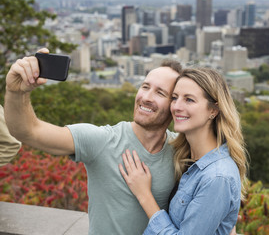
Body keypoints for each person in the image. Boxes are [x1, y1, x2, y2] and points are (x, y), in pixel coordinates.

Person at [4, 48, 182, 235]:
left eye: (160, 93)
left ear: (175, 104)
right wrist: (15, 92)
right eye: (145, 87)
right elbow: (28, 131)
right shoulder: (103, 140)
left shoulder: (181, 149)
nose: (146, 97)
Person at [119, 67, 248, 234]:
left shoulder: (217, 177)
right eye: (174, 98)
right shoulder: (186, 156)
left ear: (213, 110)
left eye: (189, 100)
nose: (176, 107)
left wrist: (144, 195)